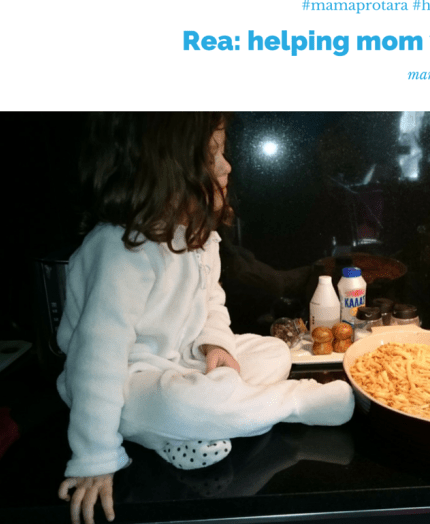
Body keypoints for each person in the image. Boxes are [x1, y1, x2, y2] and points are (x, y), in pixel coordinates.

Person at [56, 113, 355, 524]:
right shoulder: (119, 249)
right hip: (125, 382)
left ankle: (191, 424)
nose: (226, 166)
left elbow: (211, 301)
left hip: (183, 361)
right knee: (180, 403)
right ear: (166, 167)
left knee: (272, 351)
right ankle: (293, 402)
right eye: (213, 154)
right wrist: (94, 457)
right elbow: (97, 359)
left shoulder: (197, 235)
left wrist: (216, 344)